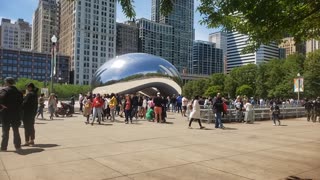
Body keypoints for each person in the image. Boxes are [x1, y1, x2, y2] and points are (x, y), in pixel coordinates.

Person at [0, 77, 23, 151]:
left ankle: (4, 147)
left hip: (6, 113)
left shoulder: (4, 90)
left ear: (7, 82)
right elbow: (21, 103)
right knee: (16, 130)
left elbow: (1, 100)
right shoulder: (19, 92)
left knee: (5, 131)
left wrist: (3, 106)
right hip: (16, 113)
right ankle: (18, 146)